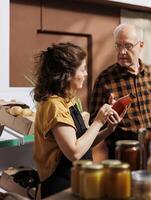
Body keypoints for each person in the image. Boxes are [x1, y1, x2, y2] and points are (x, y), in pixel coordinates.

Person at [33, 43, 124, 198]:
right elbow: (74, 152)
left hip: (77, 181)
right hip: (60, 187)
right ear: (67, 74)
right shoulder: (54, 105)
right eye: (82, 69)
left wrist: (108, 129)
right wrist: (98, 122)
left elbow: (83, 145)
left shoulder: (69, 101)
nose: (86, 73)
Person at [89, 23, 151, 159]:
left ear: (141, 45)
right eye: (118, 45)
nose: (122, 52)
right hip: (121, 153)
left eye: (128, 46)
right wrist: (108, 115)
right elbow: (93, 124)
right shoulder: (105, 79)